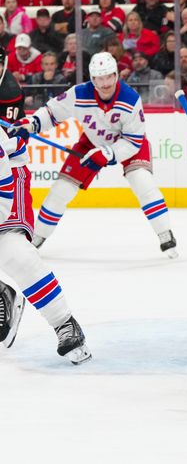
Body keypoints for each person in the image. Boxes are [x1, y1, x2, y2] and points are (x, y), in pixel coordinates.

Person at [7, 52, 178, 257]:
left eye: (109, 76)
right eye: (99, 78)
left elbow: (134, 141)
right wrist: (32, 124)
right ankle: (36, 238)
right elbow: (52, 112)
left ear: (116, 74)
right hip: (91, 143)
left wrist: (108, 153)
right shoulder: (79, 93)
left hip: (128, 143)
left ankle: (165, 235)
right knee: (61, 190)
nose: (105, 83)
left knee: (142, 182)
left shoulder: (131, 99)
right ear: (92, 78)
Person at [0, 53, 91, 364]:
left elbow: (4, 158)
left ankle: (65, 324)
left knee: (13, 251)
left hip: (7, 172)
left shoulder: (9, 91)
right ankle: (4, 293)